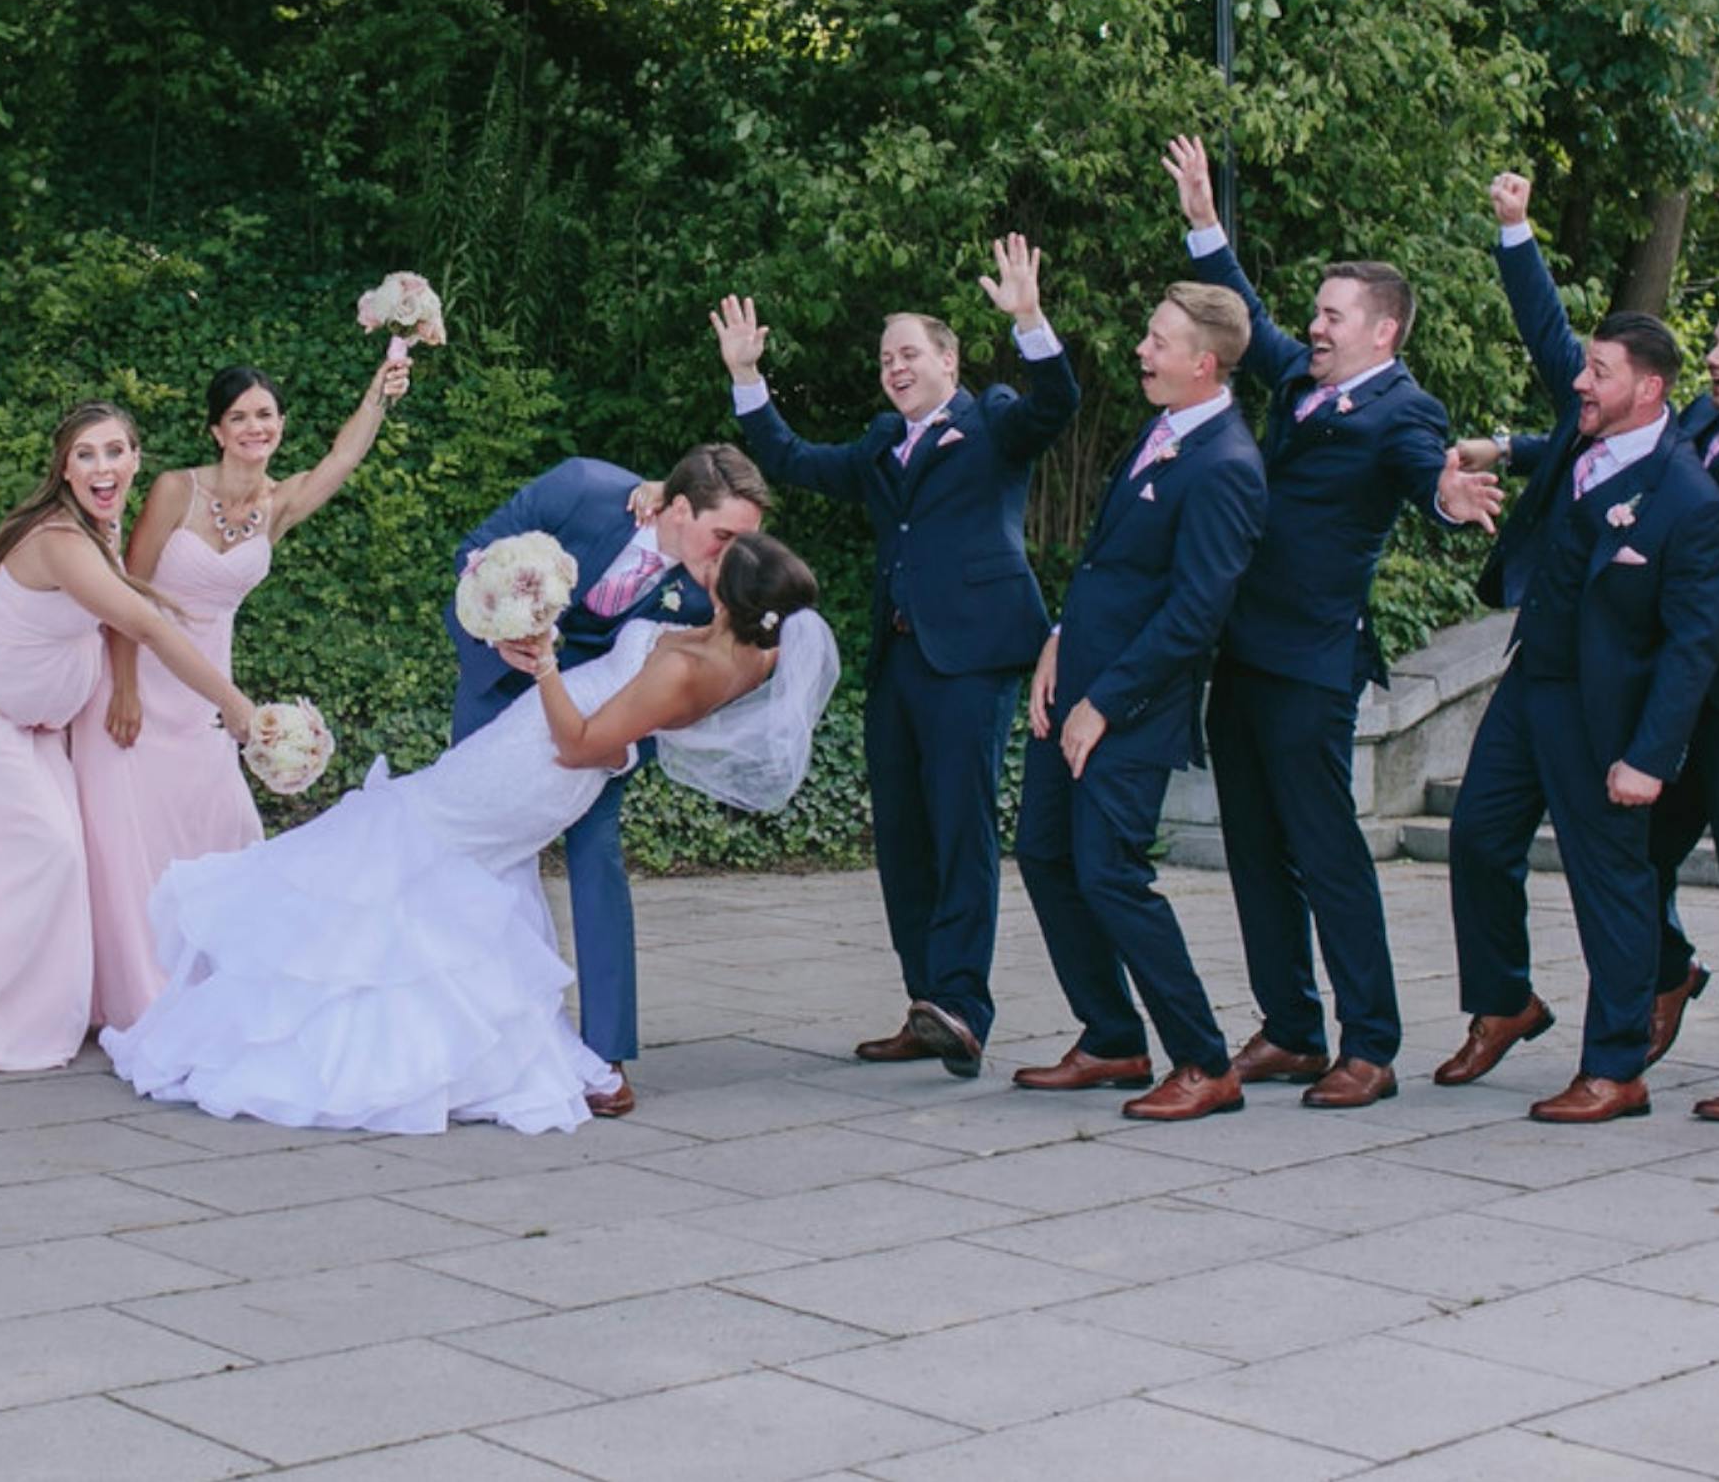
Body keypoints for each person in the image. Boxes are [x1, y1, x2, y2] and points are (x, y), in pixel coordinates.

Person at [107, 533, 834, 1134]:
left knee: (402, 836)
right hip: (548, 759)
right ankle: (446, 1038)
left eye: (719, 563)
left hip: (542, 760)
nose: (704, 561)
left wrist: (545, 658)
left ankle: (317, 1021)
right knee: (435, 869)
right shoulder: (758, 654)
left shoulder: (685, 661)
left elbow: (581, 740)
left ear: (727, 598)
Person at [1469, 177, 1719, 1118]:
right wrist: (1506, 445)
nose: (1718, 356)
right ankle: (1668, 973)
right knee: (1627, 863)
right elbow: (1597, 423)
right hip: (1675, 686)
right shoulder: (1699, 427)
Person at [715, 233, 1075, 1080]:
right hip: (901, 659)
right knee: (904, 835)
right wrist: (746, 377)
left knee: (961, 826)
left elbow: (1056, 402)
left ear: (948, 360)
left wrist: (1029, 319)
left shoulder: (991, 423)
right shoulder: (882, 443)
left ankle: (964, 1002)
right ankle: (927, 1004)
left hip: (973, 658)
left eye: (909, 351)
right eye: (885, 357)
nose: (894, 366)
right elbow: (796, 460)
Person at [1429, 211, 1719, 1122]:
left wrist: (1651, 754)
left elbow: (1692, 643)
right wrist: (1515, 231)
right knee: (1479, 837)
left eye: (1600, 372)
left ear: (1650, 388)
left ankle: (1615, 1068)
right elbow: (1544, 330)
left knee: (1610, 882)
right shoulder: (1579, 430)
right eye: (1586, 368)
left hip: (1611, 710)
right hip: (1531, 682)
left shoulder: (1690, 499)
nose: (1581, 379)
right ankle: (1506, 998)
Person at [1169, 136, 1449, 1109]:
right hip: (1238, 654)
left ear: (1383, 331)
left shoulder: (1405, 414)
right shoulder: (1299, 380)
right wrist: (1205, 219)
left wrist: (1450, 496)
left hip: (1311, 665)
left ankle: (1368, 1042)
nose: (1314, 325)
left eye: (1332, 314)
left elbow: (1430, 478)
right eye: (1318, 312)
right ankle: (1290, 1026)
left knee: (1325, 854)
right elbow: (1242, 314)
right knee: (1252, 848)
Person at [0, 403, 258, 1074]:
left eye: (114, 451)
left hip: (24, 718)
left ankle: (21, 1004)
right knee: (43, 845)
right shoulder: (64, 541)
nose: (102, 467)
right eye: (85, 454)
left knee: (65, 849)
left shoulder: (99, 532)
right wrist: (238, 707)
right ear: (65, 469)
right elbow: (152, 629)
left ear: (137, 458)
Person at [84, 352, 409, 1028]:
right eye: (239, 416)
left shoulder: (277, 504)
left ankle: (207, 975)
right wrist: (123, 687)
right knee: (132, 830)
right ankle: (131, 983)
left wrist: (380, 390)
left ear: (280, 424)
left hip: (210, 694)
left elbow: (341, 460)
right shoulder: (177, 489)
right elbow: (127, 591)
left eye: (265, 415)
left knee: (216, 825)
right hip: (142, 677)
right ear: (216, 429)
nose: (254, 427)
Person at [1010, 283, 1270, 1122]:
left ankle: (1203, 1059)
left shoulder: (1227, 464)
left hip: (1134, 705)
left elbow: (1196, 612)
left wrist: (1106, 704)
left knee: (1111, 874)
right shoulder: (1163, 427)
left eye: (1157, 341)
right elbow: (1106, 566)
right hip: (1076, 677)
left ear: (1204, 361)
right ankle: (1113, 1036)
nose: (1140, 351)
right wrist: (1057, 642)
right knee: (1046, 852)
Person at [446, 443, 771, 1113]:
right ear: (677, 508)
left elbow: (686, 697)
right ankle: (470, 1026)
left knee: (596, 855)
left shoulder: (713, 598)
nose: (735, 555)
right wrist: (493, 632)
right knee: (475, 858)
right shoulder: (583, 488)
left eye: (747, 540)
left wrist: (623, 751)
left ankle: (605, 1054)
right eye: (724, 536)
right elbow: (475, 551)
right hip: (501, 686)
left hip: (602, 723)